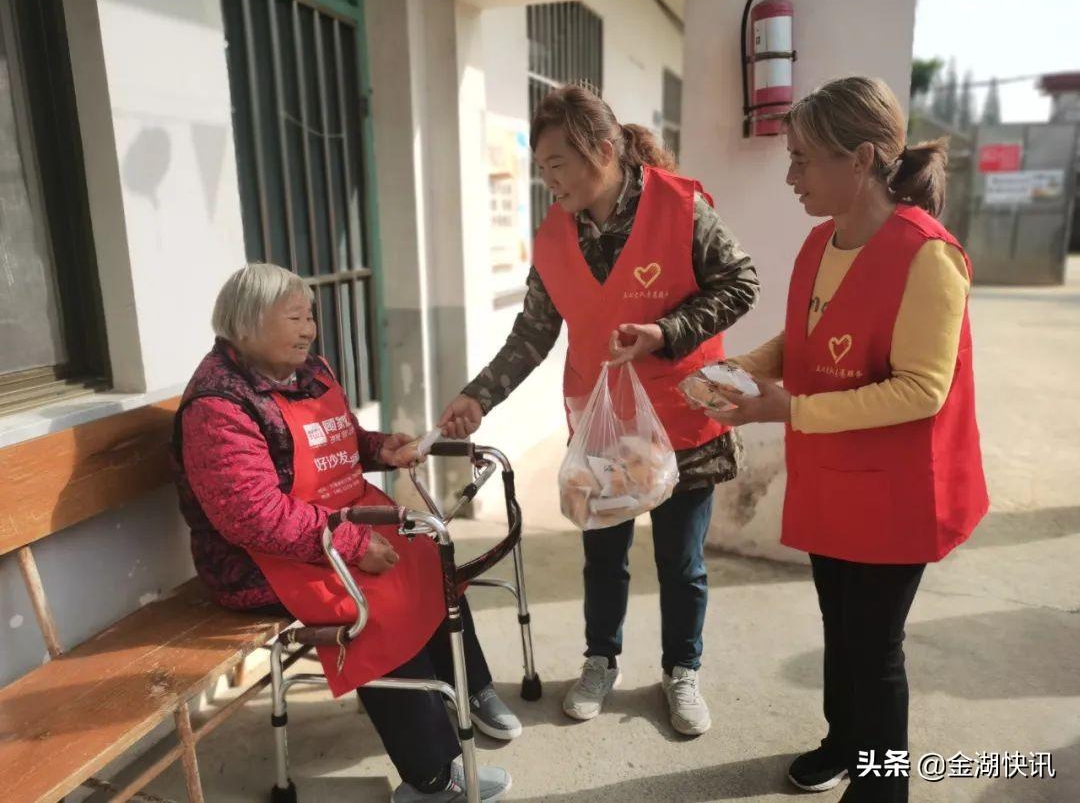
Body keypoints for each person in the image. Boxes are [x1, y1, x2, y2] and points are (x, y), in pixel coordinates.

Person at [439, 85, 759, 736]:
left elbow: (742, 283)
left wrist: (667, 331)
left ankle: (682, 670)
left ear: (603, 152)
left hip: (686, 416)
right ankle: (600, 662)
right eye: (541, 165)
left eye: (557, 162)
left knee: (681, 562)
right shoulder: (555, 237)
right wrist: (479, 394)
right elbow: (531, 333)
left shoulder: (681, 207)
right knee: (603, 556)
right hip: (604, 424)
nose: (546, 177)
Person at [712, 77, 988, 802]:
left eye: (804, 159)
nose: (792, 176)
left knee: (876, 648)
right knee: (843, 627)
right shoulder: (820, 241)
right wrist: (742, 369)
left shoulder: (928, 257)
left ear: (862, 157)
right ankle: (842, 741)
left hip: (897, 493)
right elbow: (803, 338)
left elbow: (921, 389)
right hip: (834, 478)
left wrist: (787, 409)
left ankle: (882, 787)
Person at [173, 263, 519, 802]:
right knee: (371, 602)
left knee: (430, 555)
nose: (310, 328)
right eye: (294, 317)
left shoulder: (306, 370)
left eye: (310, 315)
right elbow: (252, 515)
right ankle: (430, 777)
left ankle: (468, 689)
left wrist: (380, 448)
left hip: (328, 525)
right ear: (244, 325)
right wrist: (352, 544)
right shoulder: (218, 405)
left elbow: (340, 439)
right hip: (256, 558)